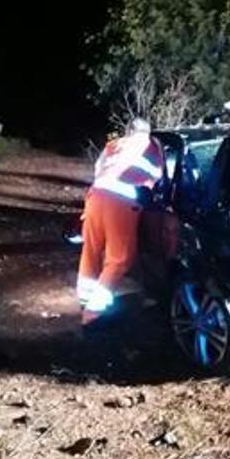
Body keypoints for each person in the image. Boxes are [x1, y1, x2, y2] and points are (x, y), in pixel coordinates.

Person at [77, 117, 164, 325]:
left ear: (129, 130)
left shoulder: (114, 144)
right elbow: (158, 178)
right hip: (120, 202)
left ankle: (85, 298)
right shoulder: (151, 147)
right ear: (148, 132)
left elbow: (99, 169)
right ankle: (93, 312)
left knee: (92, 249)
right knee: (120, 258)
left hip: (95, 197)